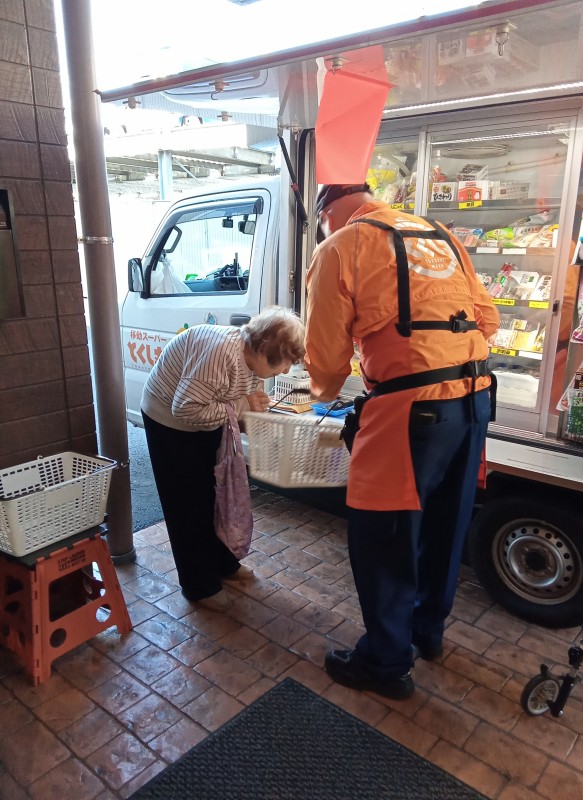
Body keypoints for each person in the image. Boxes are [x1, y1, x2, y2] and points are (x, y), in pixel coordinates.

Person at [304, 183, 499, 699]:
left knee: (383, 532)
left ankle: (385, 663)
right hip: (475, 397)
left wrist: (321, 393)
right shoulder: (439, 234)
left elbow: (326, 356)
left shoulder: (340, 246)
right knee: (446, 522)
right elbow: (489, 319)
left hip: (411, 409)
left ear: (327, 212)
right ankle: (426, 632)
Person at [141, 306, 305, 612]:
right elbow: (186, 409)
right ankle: (199, 585)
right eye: (283, 364)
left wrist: (254, 415)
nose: (284, 372)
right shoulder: (220, 352)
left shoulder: (252, 359)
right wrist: (243, 406)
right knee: (187, 505)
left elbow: (235, 406)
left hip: (205, 416)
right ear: (263, 350)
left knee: (218, 494)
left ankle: (223, 563)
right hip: (170, 421)